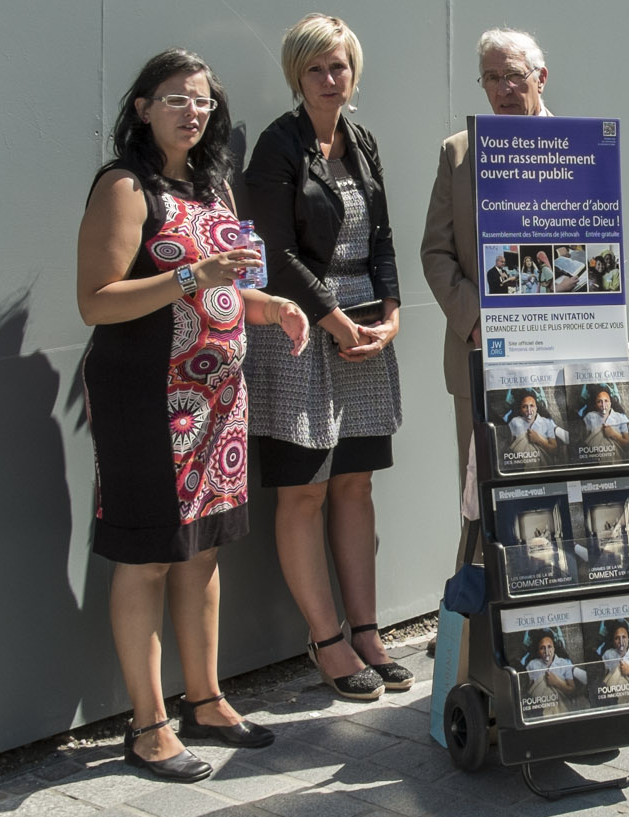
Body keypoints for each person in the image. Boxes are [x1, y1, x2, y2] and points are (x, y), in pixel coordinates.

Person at [77, 49, 308, 783]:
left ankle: (205, 700)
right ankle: (148, 727)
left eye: (203, 100)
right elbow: (96, 301)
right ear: (143, 107)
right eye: (176, 98)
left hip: (217, 403)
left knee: (202, 552)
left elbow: (227, 286)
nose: (192, 111)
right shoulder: (124, 186)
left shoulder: (214, 189)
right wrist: (189, 276)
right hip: (147, 400)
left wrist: (271, 307)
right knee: (147, 558)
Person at [244, 14, 410, 702]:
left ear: (353, 71)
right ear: (297, 74)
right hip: (299, 330)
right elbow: (274, 252)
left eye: (338, 65)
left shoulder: (361, 141)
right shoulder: (278, 145)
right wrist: (332, 319)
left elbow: (383, 236)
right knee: (304, 489)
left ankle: (367, 631)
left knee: (355, 483)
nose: (329, 78)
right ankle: (327, 638)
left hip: (362, 326)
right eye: (315, 68)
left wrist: (392, 312)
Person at [423, 27, 554, 564]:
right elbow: (436, 252)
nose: (503, 89)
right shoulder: (459, 154)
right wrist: (477, 323)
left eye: (514, 76)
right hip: (481, 354)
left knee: (560, 489)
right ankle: (476, 611)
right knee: (484, 501)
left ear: (540, 78)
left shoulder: (577, 147)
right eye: (491, 78)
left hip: (559, 354)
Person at [521, 631, 585, 717]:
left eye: (549, 647)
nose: (546, 651)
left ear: (554, 648)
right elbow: (528, 689)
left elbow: (572, 690)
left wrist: (557, 682)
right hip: (540, 706)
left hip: (561, 704)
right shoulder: (532, 665)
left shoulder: (564, 663)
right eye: (542, 648)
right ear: (538, 651)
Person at [580, 386, 629, 465]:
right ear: (595, 404)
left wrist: (614, 434)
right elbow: (584, 441)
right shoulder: (589, 417)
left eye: (606, 401)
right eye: (599, 401)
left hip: (615, 461)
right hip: (594, 461)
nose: (603, 405)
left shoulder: (620, 417)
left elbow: (627, 444)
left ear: (610, 403)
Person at [504, 392, 564, 467]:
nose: (529, 410)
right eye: (525, 406)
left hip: (542, 467)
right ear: (521, 410)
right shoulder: (514, 422)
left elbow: (555, 450)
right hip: (521, 467)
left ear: (536, 408)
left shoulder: (547, 423)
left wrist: (539, 440)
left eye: (532, 406)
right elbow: (507, 447)